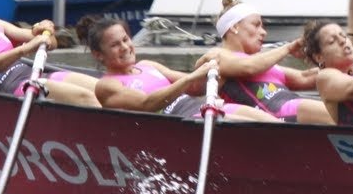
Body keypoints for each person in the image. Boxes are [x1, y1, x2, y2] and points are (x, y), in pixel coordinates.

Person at [74, 15, 273, 121]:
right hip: (181, 121)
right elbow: (147, 103)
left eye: (125, 39)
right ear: (99, 55)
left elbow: (195, 87)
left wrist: (222, 65)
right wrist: (191, 76)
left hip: (203, 108)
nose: (125, 47)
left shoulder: (147, 65)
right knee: (244, 123)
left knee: (268, 122)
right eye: (115, 45)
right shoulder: (106, 86)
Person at [203, 0, 331, 124]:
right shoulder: (217, 55)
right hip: (276, 115)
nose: (264, 32)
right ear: (234, 27)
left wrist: (329, 58)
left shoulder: (265, 64)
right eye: (256, 25)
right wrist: (289, 48)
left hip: (294, 108)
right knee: (337, 114)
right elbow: (248, 67)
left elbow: (305, 77)